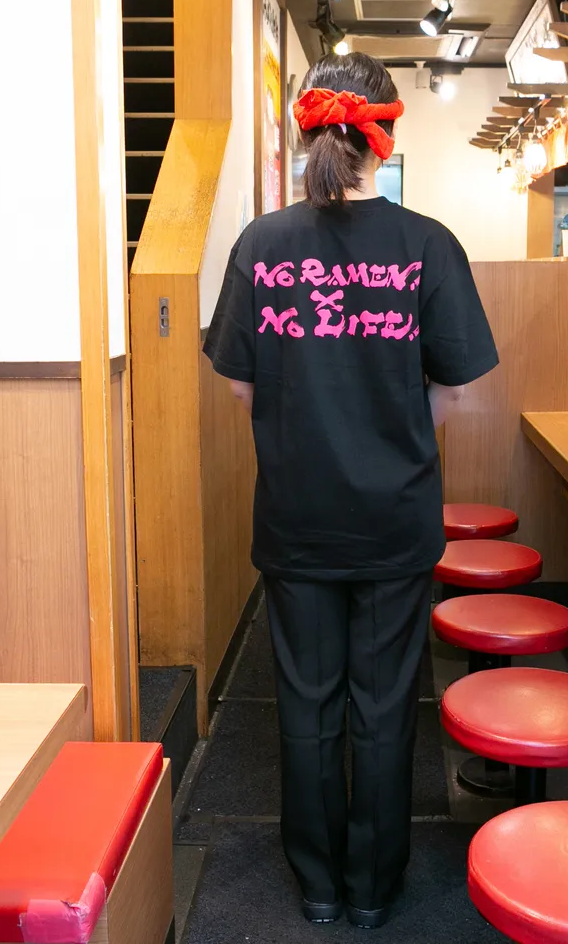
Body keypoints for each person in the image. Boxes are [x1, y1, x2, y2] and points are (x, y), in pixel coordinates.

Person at [203, 52, 498, 929]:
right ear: (387, 132)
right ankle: (375, 889)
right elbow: (458, 390)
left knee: (306, 700)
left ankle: (319, 886)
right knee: (383, 703)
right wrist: (391, 429)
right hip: (395, 519)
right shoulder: (427, 244)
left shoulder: (263, 245)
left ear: (308, 133)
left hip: (297, 518)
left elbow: (242, 387)